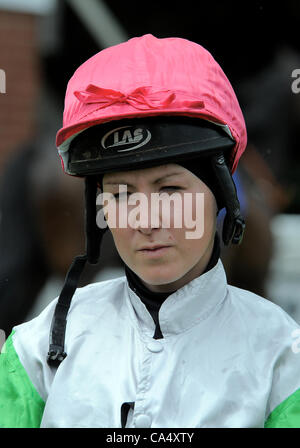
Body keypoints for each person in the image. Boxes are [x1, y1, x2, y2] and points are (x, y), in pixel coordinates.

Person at [1, 34, 300, 428]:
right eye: (121, 195)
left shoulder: (284, 358)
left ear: (222, 194)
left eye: (171, 189)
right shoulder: (33, 349)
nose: (145, 220)